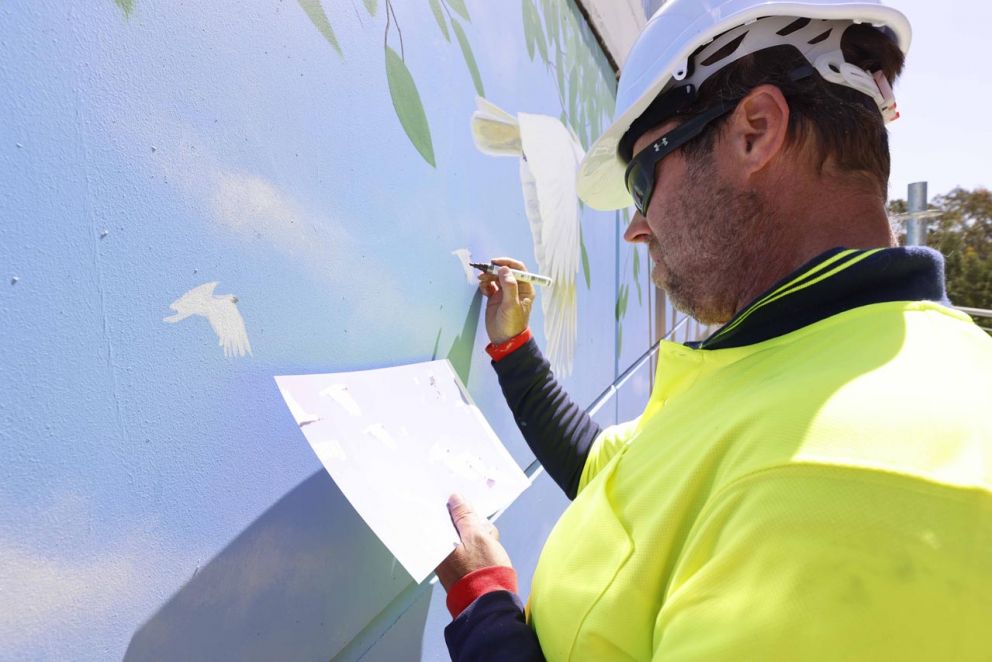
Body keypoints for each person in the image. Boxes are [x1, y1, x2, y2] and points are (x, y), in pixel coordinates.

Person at [436, 0, 992, 659]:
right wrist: (513, 347)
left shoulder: (858, 475)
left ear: (755, 130)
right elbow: (615, 476)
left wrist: (483, 605)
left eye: (642, 180)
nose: (637, 227)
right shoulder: (793, 356)